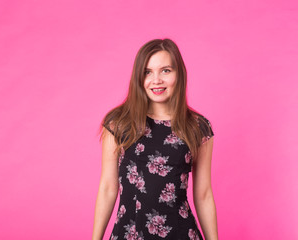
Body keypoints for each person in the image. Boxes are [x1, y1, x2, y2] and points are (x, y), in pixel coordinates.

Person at [92, 38, 218, 240]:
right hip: (130, 233)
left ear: (179, 74)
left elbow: (203, 194)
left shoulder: (198, 127)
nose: (156, 80)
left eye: (166, 70)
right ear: (138, 78)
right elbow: (108, 187)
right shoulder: (118, 123)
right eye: (147, 72)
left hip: (181, 233)